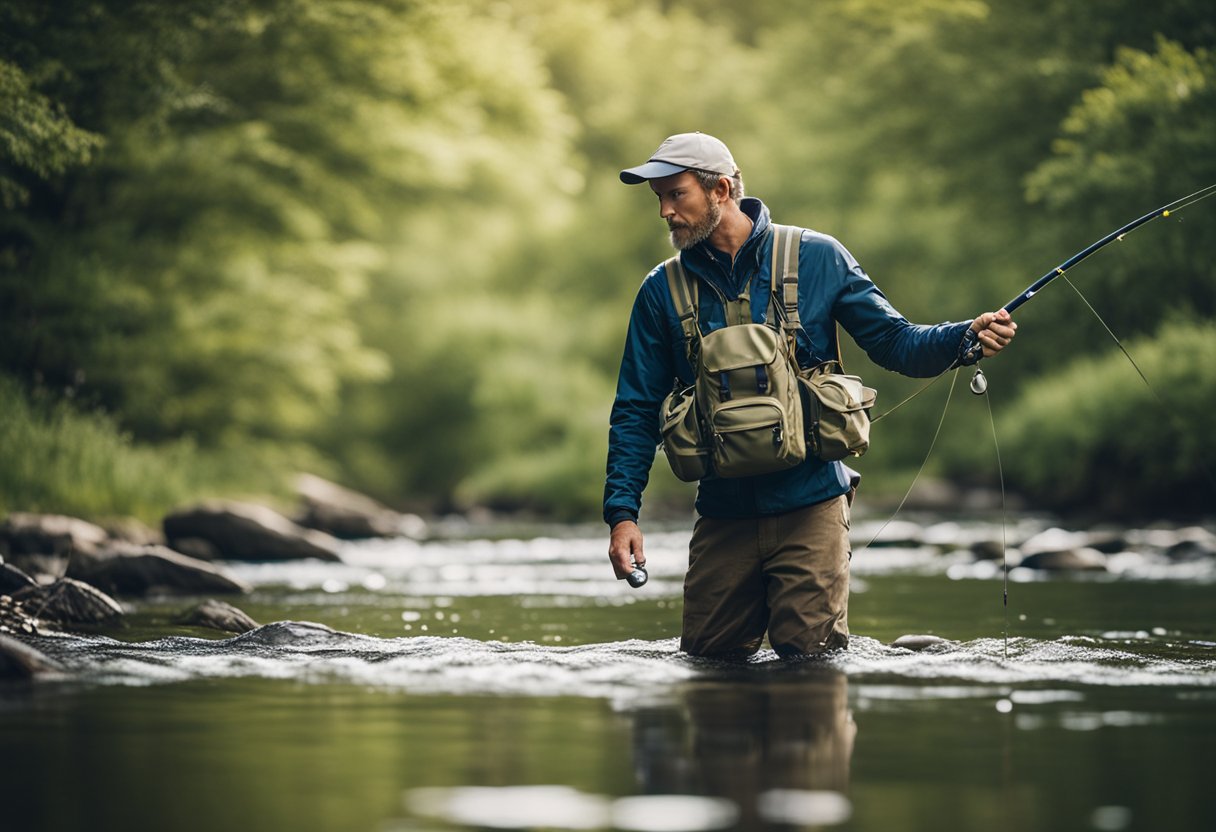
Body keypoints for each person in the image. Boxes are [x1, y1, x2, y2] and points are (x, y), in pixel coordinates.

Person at [604, 132, 1016, 659]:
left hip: (811, 505)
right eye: (657, 198)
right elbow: (635, 410)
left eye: (675, 194)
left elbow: (896, 343)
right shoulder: (660, 291)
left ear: (721, 189)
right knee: (708, 668)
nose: (663, 211)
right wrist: (622, 514)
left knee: (812, 669)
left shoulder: (820, 258)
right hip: (723, 514)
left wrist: (965, 338)